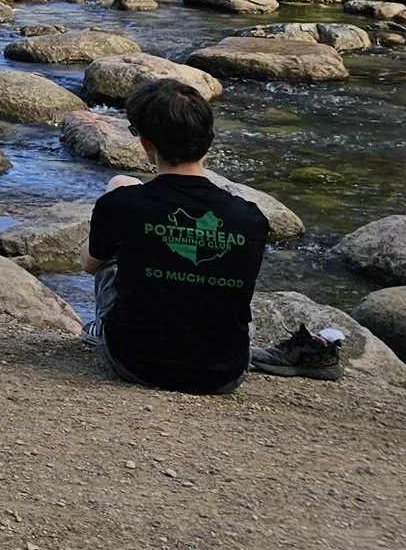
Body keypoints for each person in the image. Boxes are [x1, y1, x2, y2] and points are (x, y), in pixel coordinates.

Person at [82, 79, 273, 393]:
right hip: (225, 373)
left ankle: (101, 328)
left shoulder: (122, 204)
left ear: (146, 143)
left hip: (133, 362)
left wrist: (110, 222)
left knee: (113, 242)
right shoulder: (250, 217)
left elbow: (90, 264)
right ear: (208, 140)